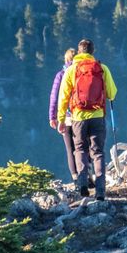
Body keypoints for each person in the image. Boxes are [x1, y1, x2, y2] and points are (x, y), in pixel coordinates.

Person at [56, 39, 117, 201]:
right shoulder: (102, 68)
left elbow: (63, 97)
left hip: (78, 117)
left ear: (79, 51)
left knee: (80, 149)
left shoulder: (71, 70)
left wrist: (60, 119)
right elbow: (112, 93)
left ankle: (82, 184)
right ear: (92, 51)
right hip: (98, 116)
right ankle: (100, 190)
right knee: (97, 152)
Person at [48, 48, 79, 182]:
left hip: (65, 117)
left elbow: (54, 97)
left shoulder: (60, 75)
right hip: (81, 115)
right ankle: (87, 173)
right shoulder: (81, 74)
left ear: (66, 60)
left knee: (70, 149)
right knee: (82, 147)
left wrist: (52, 117)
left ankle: (75, 177)